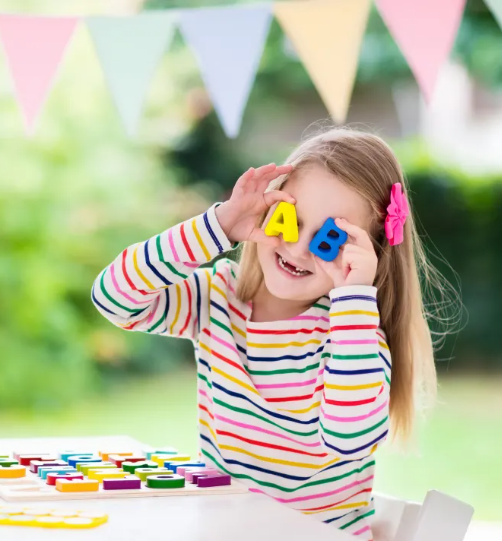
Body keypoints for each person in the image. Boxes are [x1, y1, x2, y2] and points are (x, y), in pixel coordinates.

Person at [91, 127, 448, 539]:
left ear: (365, 255)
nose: (297, 250)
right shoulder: (218, 299)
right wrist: (218, 225)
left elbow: (349, 438)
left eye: (329, 240)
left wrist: (354, 298)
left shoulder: (352, 338)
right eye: (288, 221)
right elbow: (113, 298)